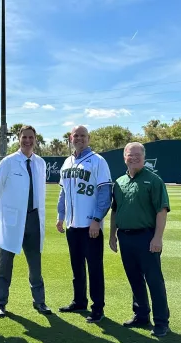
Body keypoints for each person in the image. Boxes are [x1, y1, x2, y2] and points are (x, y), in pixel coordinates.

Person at [110, 142, 170, 337]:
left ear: (144, 158)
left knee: (154, 280)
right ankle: (141, 315)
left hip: (146, 237)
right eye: (130, 154)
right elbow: (115, 210)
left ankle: (161, 322)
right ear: (124, 157)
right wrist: (112, 235)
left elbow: (161, 211)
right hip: (125, 237)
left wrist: (157, 238)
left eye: (137, 155)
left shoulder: (154, 180)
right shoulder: (119, 182)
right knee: (134, 279)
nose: (133, 158)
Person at [0, 125, 51, 318]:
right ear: (18, 139)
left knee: (35, 264)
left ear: (35, 139)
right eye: (24, 137)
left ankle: (40, 301)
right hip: (13, 220)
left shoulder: (40, 163)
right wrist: (7, 211)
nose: (27, 140)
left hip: (34, 218)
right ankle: (1, 303)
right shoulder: (8, 162)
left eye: (31, 137)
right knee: (5, 264)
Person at [56, 125, 112, 323]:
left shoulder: (98, 161)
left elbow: (105, 194)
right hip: (73, 225)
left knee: (95, 268)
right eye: (76, 135)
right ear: (71, 138)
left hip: (91, 226)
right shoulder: (67, 161)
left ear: (88, 138)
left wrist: (97, 220)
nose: (79, 138)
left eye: (83, 135)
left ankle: (98, 308)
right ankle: (79, 301)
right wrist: (60, 216)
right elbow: (63, 192)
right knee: (76, 267)